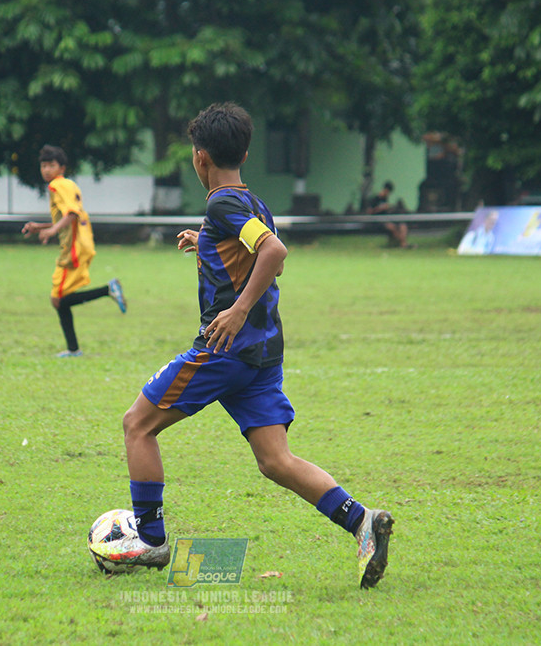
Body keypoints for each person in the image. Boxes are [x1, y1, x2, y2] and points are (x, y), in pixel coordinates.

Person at [89, 102, 394, 589]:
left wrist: (235, 310)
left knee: (137, 426)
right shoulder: (250, 203)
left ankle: (150, 539)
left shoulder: (222, 204)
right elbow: (259, 247)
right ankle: (362, 522)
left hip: (224, 349)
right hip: (262, 354)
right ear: (245, 153)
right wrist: (207, 239)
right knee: (276, 461)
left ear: (199, 157)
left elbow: (274, 252)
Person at [21, 145, 126, 357]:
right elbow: (65, 217)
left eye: (51, 165)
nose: (47, 170)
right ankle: (73, 349)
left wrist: (50, 231)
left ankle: (108, 290)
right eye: (43, 166)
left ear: (61, 167)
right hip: (81, 243)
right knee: (59, 300)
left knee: (58, 300)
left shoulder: (57, 186)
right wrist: (41, 227)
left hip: (75, 247)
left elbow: (71, 215)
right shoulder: (67, 184)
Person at [361, 180, 411, 248]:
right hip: (377, 221)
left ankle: (403, 243)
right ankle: (402, 243)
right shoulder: (374, 199)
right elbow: (369, 212)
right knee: (391, 227)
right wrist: (380, 208)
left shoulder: (385, 199)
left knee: (402, 225)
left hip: (386, 220)